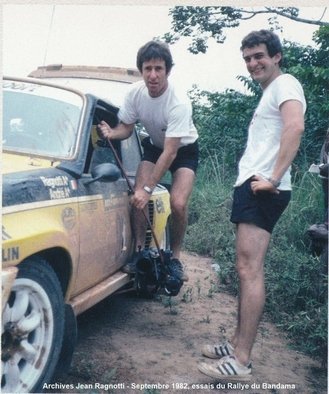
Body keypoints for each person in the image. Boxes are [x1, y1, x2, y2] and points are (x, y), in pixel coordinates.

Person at [198, 30, 306, 380]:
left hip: (264, 188)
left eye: (259, 55)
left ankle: (241, 360)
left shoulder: (286, 83)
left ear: (276, 56)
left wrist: (273, 179)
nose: (253, 63)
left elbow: (295, 127)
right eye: (247, 58)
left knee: (250, 270)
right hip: (254, 186)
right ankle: (235, 342)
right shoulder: (270, 92)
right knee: (245, 269)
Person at [97, 40, 199, 281]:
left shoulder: (179, 103)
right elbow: (126, 128)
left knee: (178, 203)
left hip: (182, 150)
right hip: (154, 146)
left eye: (159, 69)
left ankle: (174, 259)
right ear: (141, 70)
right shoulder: (134, 93)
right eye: (148, 69)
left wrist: (147, 188)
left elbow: (171, 152)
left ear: (168, 71)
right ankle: (139, 252)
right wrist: (112, 133)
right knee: (137, 200)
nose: (153, 75)